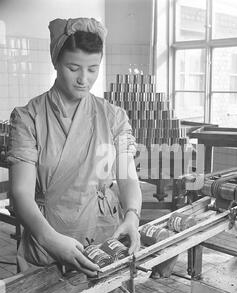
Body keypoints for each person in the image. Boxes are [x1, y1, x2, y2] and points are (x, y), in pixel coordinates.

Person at [8, 17, 142, 277]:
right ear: (56, 62)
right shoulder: (28, 118)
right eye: (73, 67)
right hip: (47, 235)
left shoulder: (113, 116)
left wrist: (133, 215)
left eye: (93, 69)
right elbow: (21, 192)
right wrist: (49, 239)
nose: (84, 79)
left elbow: (127, 178)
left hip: (104, 235)